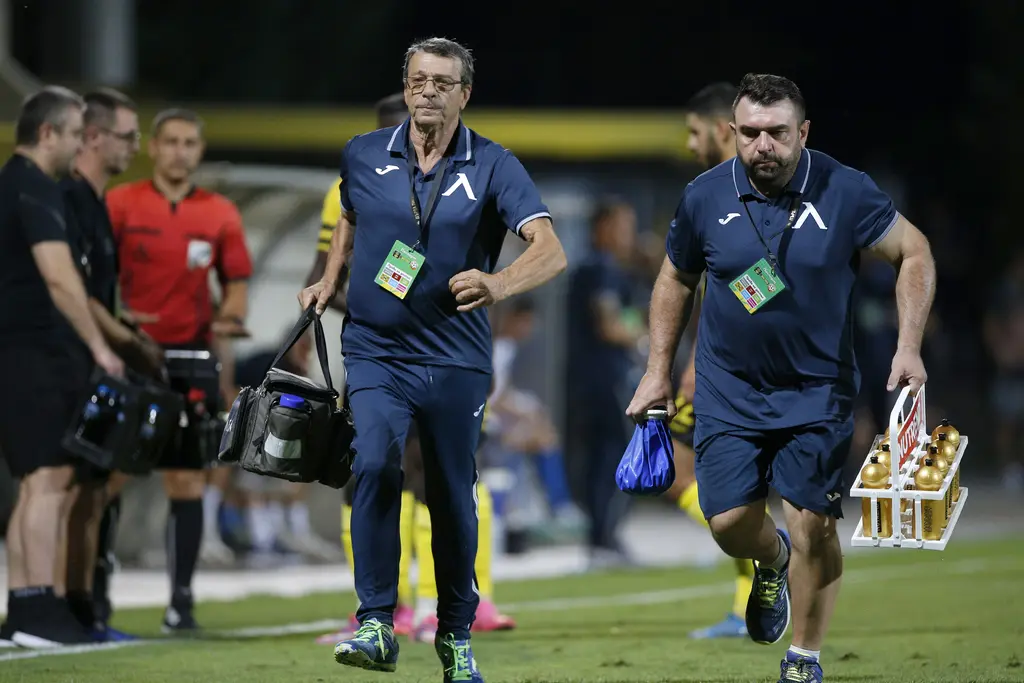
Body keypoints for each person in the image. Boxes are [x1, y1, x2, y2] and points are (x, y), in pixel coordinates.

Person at [626, 73, 935, 683]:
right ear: (733, 131)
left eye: (777, 133)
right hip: (728, 388)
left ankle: (804, 657)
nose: (762, 145)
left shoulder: (845, 189)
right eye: (750, 133)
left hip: (817, 388)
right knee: (728, 524)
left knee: (812, 522)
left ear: (804, 132)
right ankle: (772, 562)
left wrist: (908, 346)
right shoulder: (704, 195)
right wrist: (657, 371)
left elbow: (915, 251)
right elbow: (674, 279)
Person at [300, 37, 566, 683]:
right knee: (373, 461)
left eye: (442, 83)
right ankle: (375, 622)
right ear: (406, 85)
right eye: (418, 80)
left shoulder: (495, 164)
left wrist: (498, 283)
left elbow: (550, 250)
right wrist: (329, 279)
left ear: (464, 94)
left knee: (449, 495)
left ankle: (454, 633)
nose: (427, 92)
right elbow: (350, 218)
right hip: (376, 349)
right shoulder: (364, 153)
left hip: (455, 358)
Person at [106, 108, 253, 633]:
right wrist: (119, 324)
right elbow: (97, 275)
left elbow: (236, 283)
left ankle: (181, 603)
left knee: (187, 478)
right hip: (130, 355)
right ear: (153, 147)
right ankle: (93, 594)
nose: (179, 152)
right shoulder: (120, 203)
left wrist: (229, 317)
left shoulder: (220, 213)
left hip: (191, 358)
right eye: (170, 141)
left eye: (189, 143)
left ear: (200, 151)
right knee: (109, 472)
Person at [0, 86, 124, 647]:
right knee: (49, 481)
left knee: (35, 484)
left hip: (17, 352)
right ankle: (37, 610)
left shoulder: (11, 183)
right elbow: (58, 276)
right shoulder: (35, 189)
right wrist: (100, 347)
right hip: (36, 353)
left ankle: (27, 607)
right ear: (47, 132)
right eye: (75, 133)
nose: (80, 145)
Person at [59, 88, 164, 642]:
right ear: (93, 137)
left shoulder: (96, 201)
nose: (135, 147)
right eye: (128, 136)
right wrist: (128, 341)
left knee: (94, 491)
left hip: (95, 362)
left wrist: (126, 326)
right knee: (68, 491)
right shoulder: (70, 198)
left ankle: (86, 606)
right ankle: (61, 606)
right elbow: (76, 291)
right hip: (69, 363)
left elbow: (97, 292)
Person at [659, 81, 755, 640]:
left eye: (696, 132)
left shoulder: (748, 192)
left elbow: (762, 278)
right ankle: (750, 600)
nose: (691, 144)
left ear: (722, 129)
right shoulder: (712, 194)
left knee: (677, 470)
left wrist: (705, 359)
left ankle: (770, 556)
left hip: (737, 368)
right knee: (715, 481)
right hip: (725, 362)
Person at [566, 198, 646, 568]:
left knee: (601, 455)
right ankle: (605, 537)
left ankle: (601, 536)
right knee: (614, 455)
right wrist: (646, 335)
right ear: (603, 227)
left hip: (590, 379)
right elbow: (610, 325)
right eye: (623, 227)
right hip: (607, 378)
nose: (629, 236)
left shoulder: (598, 268)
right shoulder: (600, 268)